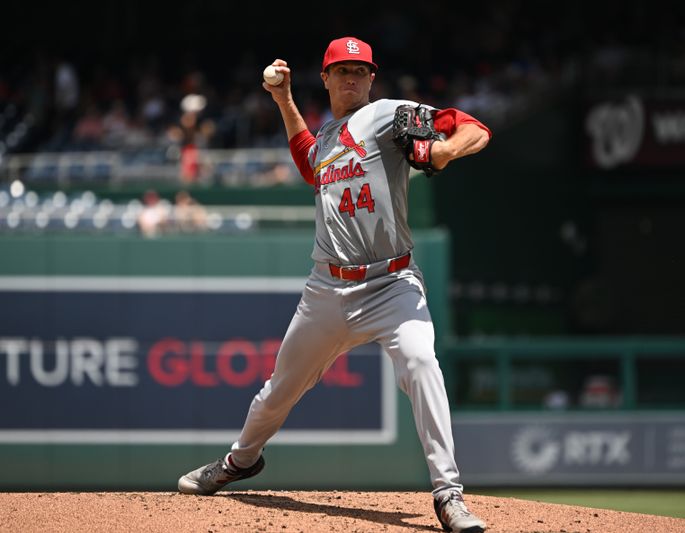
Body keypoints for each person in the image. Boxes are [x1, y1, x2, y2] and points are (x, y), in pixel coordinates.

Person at [177, 36, 491, 533]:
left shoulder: (391, 114)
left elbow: (474, 128)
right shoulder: (325, 139)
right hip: (327, 289)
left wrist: (445, 151)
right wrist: (283, 102)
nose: (352, 78)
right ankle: (240, 461)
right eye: (342, 70)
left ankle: (448, 493)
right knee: (277, 390)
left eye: (360, 71)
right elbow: (308, 163)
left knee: (421, 362)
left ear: (372, 78)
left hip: (392, 284)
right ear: (324, 78)